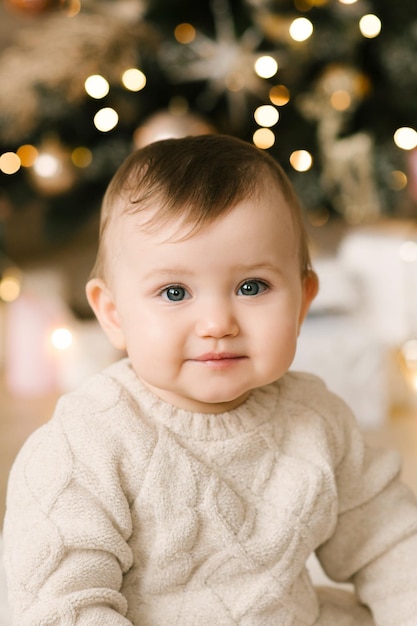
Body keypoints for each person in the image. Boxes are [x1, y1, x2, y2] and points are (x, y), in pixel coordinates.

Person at [3, 134, 417, 625]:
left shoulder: (316, 418)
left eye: (251, 286)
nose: (218, 322)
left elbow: (392, 544)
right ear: (113, 315)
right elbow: (56, 607)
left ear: (303, 302)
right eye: (175, 292)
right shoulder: (85, 447)